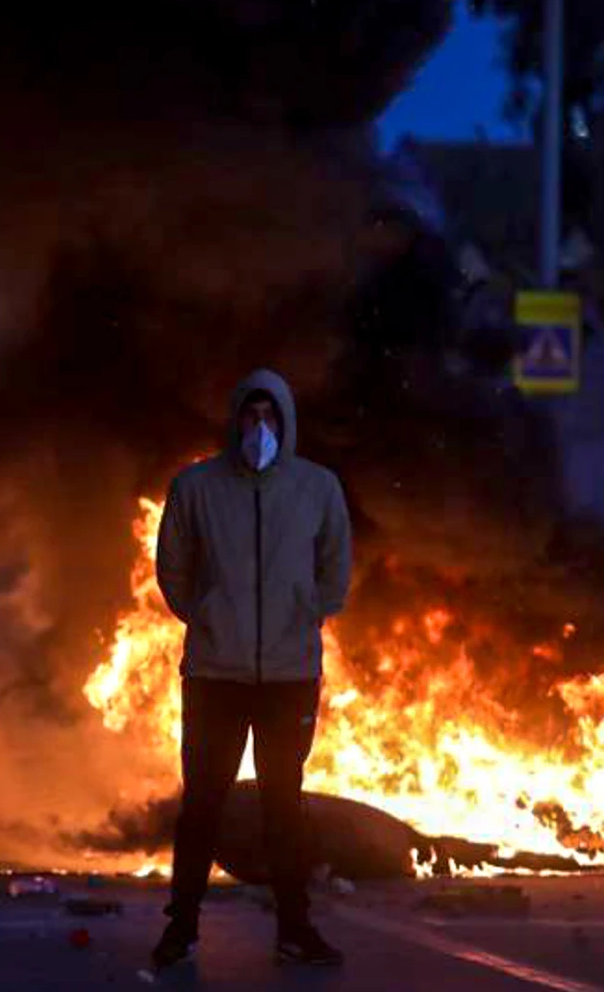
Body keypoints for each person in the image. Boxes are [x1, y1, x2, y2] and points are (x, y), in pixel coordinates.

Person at [150, 369, 353, 969]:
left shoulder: (317, 488)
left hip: (289, 677)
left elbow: (335, 564)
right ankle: (180, 928)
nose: (259, 428)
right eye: (250, 415)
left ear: (286, 422)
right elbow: (173, 567)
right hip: (215, 675)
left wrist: (310, 611)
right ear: (235, 418)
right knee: (202, 807)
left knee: (284, 808)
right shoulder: (196, 487)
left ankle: (295, 930)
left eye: (271, 417)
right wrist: (206, 615)